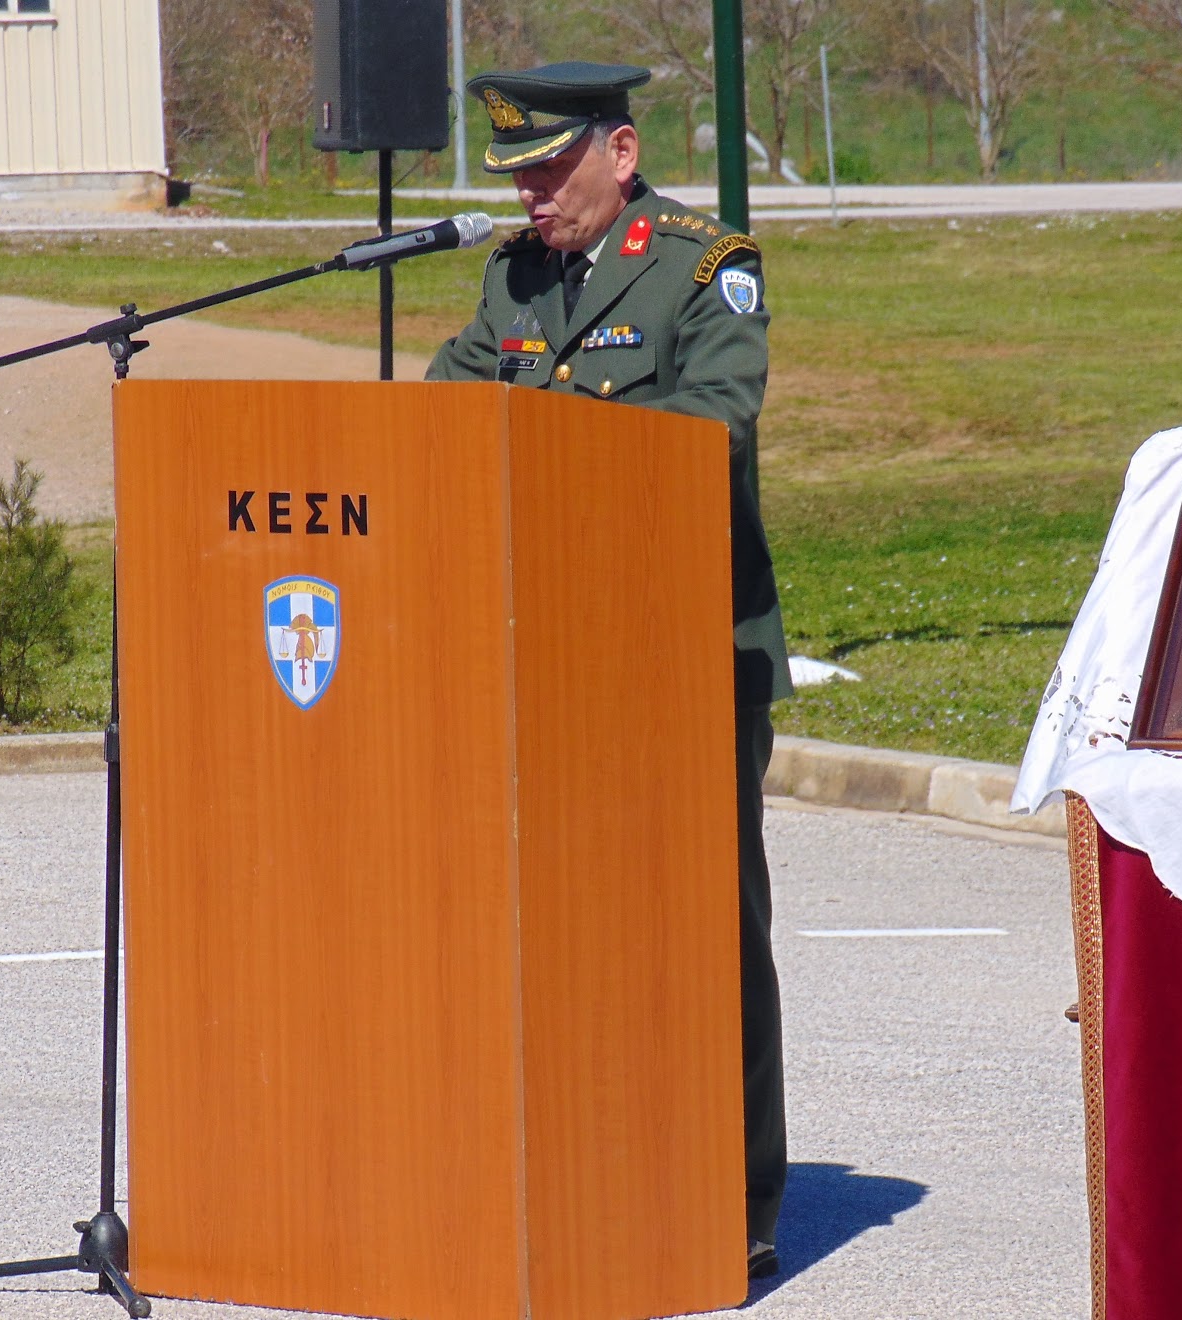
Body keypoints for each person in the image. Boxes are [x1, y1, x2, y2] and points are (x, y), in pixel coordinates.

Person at [426, 60, 793, 1280]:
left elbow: (711, 420)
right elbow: (449, 406)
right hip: (543, 658)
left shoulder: (704, 264)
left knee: (704, 932)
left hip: (684, 647)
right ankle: (580, 1179)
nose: (530, 199)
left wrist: (546, 441)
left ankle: (732, 1203)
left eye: (546, 171)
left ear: (619, 154)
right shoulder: (513, 276)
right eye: (515, 179)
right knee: (553, 930)